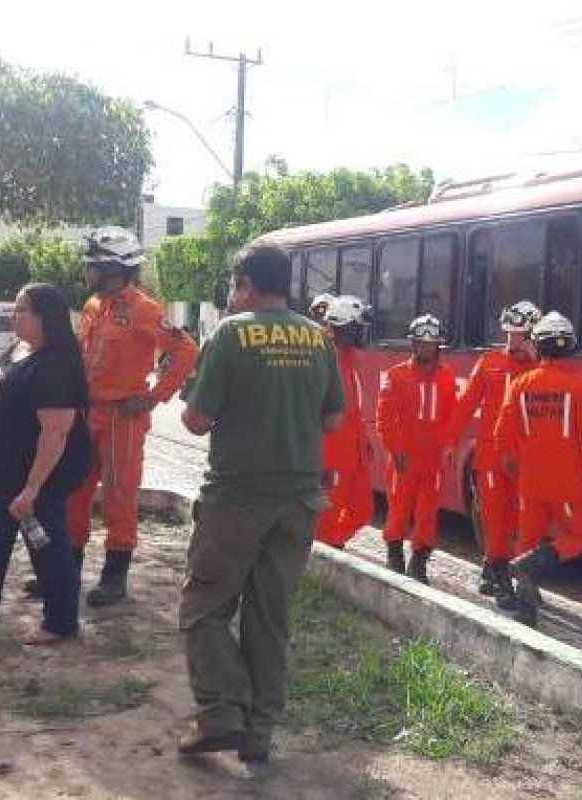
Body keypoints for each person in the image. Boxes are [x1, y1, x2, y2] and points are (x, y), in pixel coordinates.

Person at [177, 243, 342, 761]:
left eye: (234, 284)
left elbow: (196, 420)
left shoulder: (230, 333)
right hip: (299, 501)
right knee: (270, 619)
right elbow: (333, 420)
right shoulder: (318, 338)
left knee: (203, 609)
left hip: (236, 499)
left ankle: (221, 712)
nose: (232, 294)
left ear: (246, 284)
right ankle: (259, 735)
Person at [0, 283, 90, 645]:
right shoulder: (18, 348)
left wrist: (31, 490)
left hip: (36, 479)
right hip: (0, 472)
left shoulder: (56, 365)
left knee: (47, 548)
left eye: (22, 310)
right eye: (15, 308)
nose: (14, 316)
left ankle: (60, 623)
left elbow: (55, 434)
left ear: (46, 317)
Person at [57, 226, 198, 608]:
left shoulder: (144, 309)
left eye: (93, 264)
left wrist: (153, 397)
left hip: (123, 418)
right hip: (87, 414)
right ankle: (65, 571)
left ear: (114, 268)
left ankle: (114, 578)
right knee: (74, 490)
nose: (87, 270)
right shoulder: (92, 306)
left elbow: (186, 351)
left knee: (119, 495)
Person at [494, 312, 582, 627]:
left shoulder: (520, 384)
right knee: (578, 535)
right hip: (567, 479)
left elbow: (502, 433)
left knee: (527, 539)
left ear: (537, 346)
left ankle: (525, 609)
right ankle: (531, 566)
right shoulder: (578, 386)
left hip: (530, 478)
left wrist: (510, 462)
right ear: (569, 347)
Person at [445, 300, 540, 600]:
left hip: (525, 458)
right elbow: (465, 405)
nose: (514, 340)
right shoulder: (489, 363)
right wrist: (450, 441)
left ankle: (495, 570)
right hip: (490, 457)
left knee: (521, 521)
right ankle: (501, 579)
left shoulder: (541, 369)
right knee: (495, 519)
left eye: (521, 335)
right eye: (510, 334)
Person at [376, 314, 457, 584]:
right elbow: (384, 418)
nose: (426, 348)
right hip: (404, 456)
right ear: (413, 344)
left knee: (427, 513)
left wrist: (449, 445)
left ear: (438, 346)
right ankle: (394, 555)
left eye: (431, 344)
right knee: (399, 508)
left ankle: (419, 562)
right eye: (421, 343)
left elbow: (452, 416)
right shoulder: (396, 375)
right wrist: (394, 449)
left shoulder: (447, 377)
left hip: (434, 458)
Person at [314, 295, 374, 549]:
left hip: (354, 450)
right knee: (327, 513)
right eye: (358, 327)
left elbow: (354, 408)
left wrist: (364, 439)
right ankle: (324, 551)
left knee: (363, 510)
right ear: (345, 327)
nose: (362, 333)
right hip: (330, 452)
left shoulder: (349, 357)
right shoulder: (321, 356)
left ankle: (331, 544)